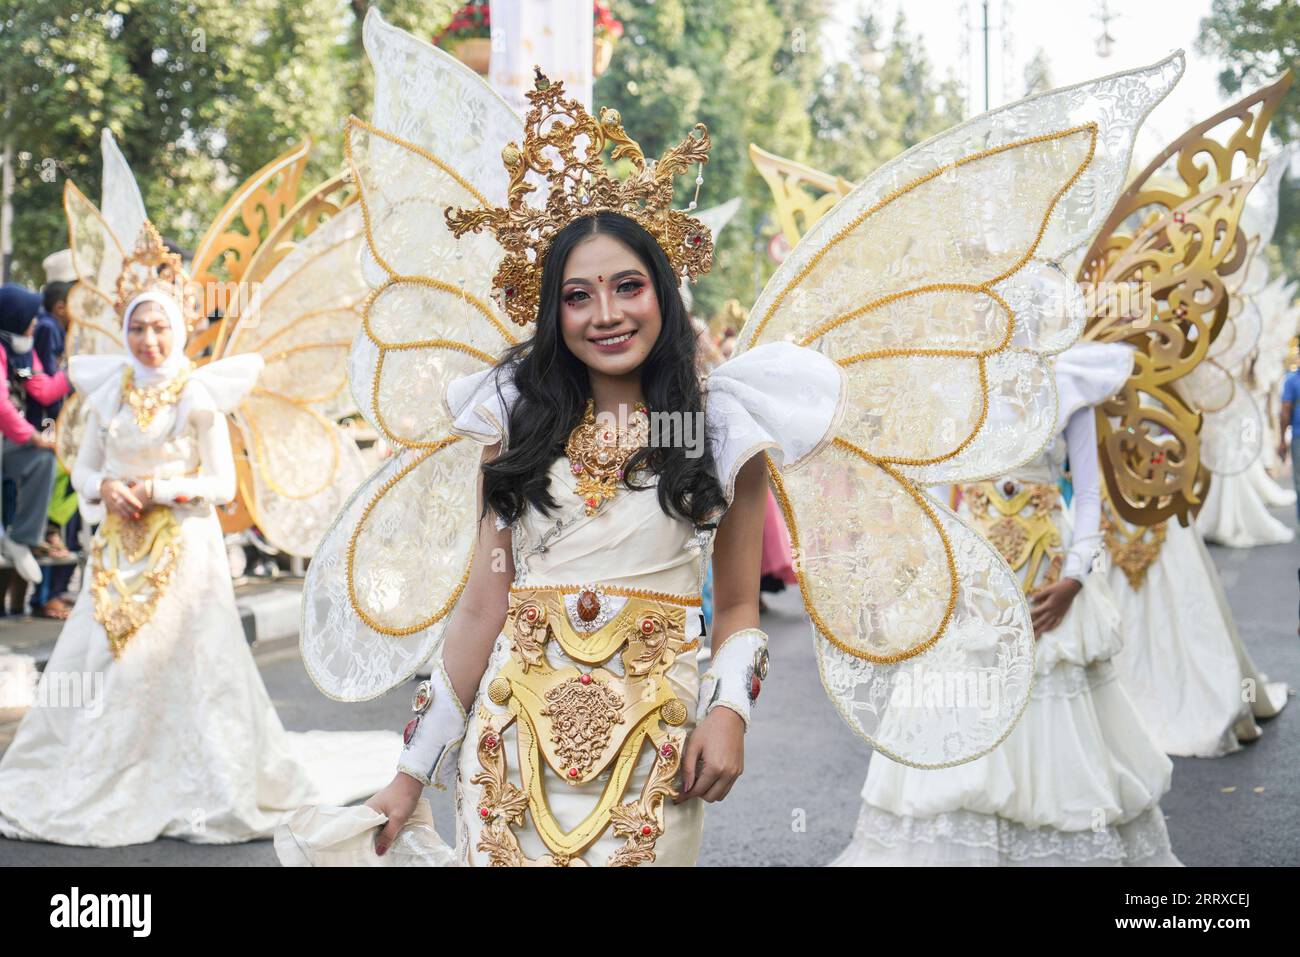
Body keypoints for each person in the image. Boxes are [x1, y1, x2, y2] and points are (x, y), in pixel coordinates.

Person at [0, 265, 401, 847]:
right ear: (124, 329)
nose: (149, 340)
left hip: (183, 550)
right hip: (116, 550)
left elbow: (221, 484)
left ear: (179, 327)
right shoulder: (111, 388)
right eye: (137, 327)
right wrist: (104, 487)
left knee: (187, 665)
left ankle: (190, 780)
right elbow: (83, 465)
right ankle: (102, 773)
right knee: (102, 665)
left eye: (159, 326)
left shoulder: (197, 392)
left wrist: (157, 490)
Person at [831, 343, 1182, 867]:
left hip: (1048, 581)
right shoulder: (954, 388)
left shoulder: (1070, 386)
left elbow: (1088, 499)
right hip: (974, 581)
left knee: (1051, 706)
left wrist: (1074, 579)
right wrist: (940, 572)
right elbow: (936, 495)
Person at [0, 283, 69, 585]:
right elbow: (1, 404)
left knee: (44, 459)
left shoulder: (20, 353)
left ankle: (21, 539)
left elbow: (39, 387)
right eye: (29, 320)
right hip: (14, 436)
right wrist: (31, 436)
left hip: (11, 441)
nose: (33, 327)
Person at [1279, 364, 1300, 524]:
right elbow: (1285, 410)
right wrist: (1282, 440)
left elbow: (1286, 410)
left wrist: (1281, 441)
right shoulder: (1292, 380)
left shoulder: (1291, 380)